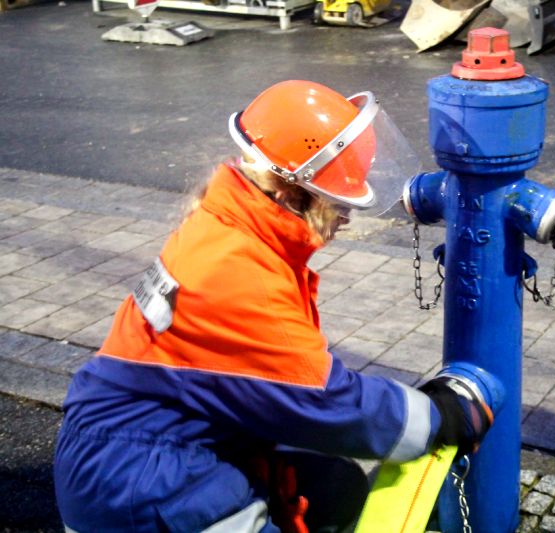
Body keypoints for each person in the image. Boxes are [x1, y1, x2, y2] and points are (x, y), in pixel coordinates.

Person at [53, 80, 493, 533]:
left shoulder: (229, 227)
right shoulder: (239, 276)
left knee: (334, 486)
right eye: (337, 202)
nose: (347, 216)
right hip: (146, 486)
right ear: (290, 194)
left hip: (135, 447)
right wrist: (440, 417)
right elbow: (324, 401)